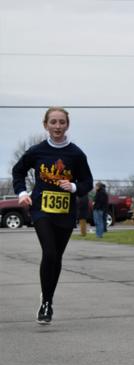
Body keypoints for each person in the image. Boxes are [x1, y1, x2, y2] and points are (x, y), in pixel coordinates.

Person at [11, 107, 94, 325]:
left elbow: (88, 183)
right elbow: (18, 171)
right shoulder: (37, 151)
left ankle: (48, 297)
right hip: (41, 210)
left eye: (61, 122)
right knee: (48, 252)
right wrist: (21, 193)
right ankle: (46, 304)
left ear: (67, 125)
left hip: (65, 212)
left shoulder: (76, 154)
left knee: (56, 257)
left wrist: (74, 186)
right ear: (45, 125)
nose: (57, 126)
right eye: (53, 122)